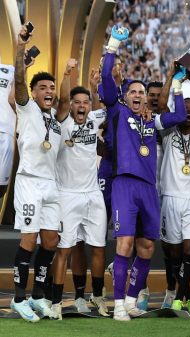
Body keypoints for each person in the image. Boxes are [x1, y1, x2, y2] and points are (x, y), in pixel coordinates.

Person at [101, 25, 186, 321]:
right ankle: (118, 305)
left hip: (149, 188)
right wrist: (112, 46)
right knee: (124, 244)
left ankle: (133, 300)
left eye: (141, 92)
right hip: (124, 184)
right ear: (125, 97)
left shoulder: (152, 122)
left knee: (147, 247)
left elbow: (180, 116)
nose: (138, 95)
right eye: (133, 92)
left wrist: (176, 85)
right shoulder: (118, 111)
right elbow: (105, 80)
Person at [50, 59, 109, 319]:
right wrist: (66, 74)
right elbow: (62, 100)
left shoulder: (94, 118)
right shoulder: (62, 121)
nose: (81, 106)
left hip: (93, 194)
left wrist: (96, 90)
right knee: (65, 249)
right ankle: (54, 303)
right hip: (67, 194)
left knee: (97, 247)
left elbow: (105, 108)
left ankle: (95, 297)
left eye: (85, 102)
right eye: (77, 102)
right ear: (71, 105)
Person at [10, 23, 61, 322]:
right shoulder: (26, 108)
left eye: (52, 88)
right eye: (43, 87)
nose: (49, 91)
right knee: (29, 240)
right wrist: (20, 46)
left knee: (51, 240)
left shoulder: (53, 118)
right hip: (29, 183)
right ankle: (18, 299)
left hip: (51, 185)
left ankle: (38, 296)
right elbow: (18, 79)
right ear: (32, 92)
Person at [158, 80, 190, 315]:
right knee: (174, 254)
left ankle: (179, 297)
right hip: (170, 197)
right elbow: (161, 107)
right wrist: (172, 77)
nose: (189, 111)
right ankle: (187, 295)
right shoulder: (169, 131)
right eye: (185, 107)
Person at [0, 59, 15, 201]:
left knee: (2, 183)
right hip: (5, 132)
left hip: (5, 130)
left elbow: (13, 100)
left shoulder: (10, 69)